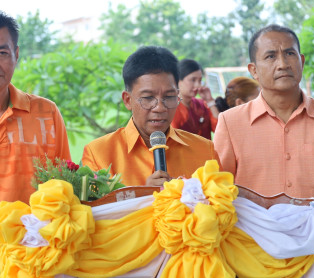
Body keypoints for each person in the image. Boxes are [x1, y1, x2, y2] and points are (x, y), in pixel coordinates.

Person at [0, 9, 71, 278]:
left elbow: (63, 186)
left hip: (34, 258)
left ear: (16, 54)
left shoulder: (46, 113)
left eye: (2, 52)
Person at [213, 24, 314, 204]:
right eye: (270, 56)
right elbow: (219, 195)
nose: (283, 64)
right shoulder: (230, 123)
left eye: (290, 54)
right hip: (253, 232)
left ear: (302, 61)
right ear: (253, 70)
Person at [82, 46, 219, 187]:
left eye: (169, 96)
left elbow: (221, 205)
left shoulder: (205, 152)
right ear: (128, 100)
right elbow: (93, 209)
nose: (160, 107)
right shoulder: (98, 155)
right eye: (148, 97)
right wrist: (144, 197)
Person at [171, 59, 219, 140]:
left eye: (200, 80)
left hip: (207, 152)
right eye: (193, 80)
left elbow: (219, 130)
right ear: (178, 80)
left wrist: (210, 101)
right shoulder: (171, 109)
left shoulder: (202, 104)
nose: (198, 85)